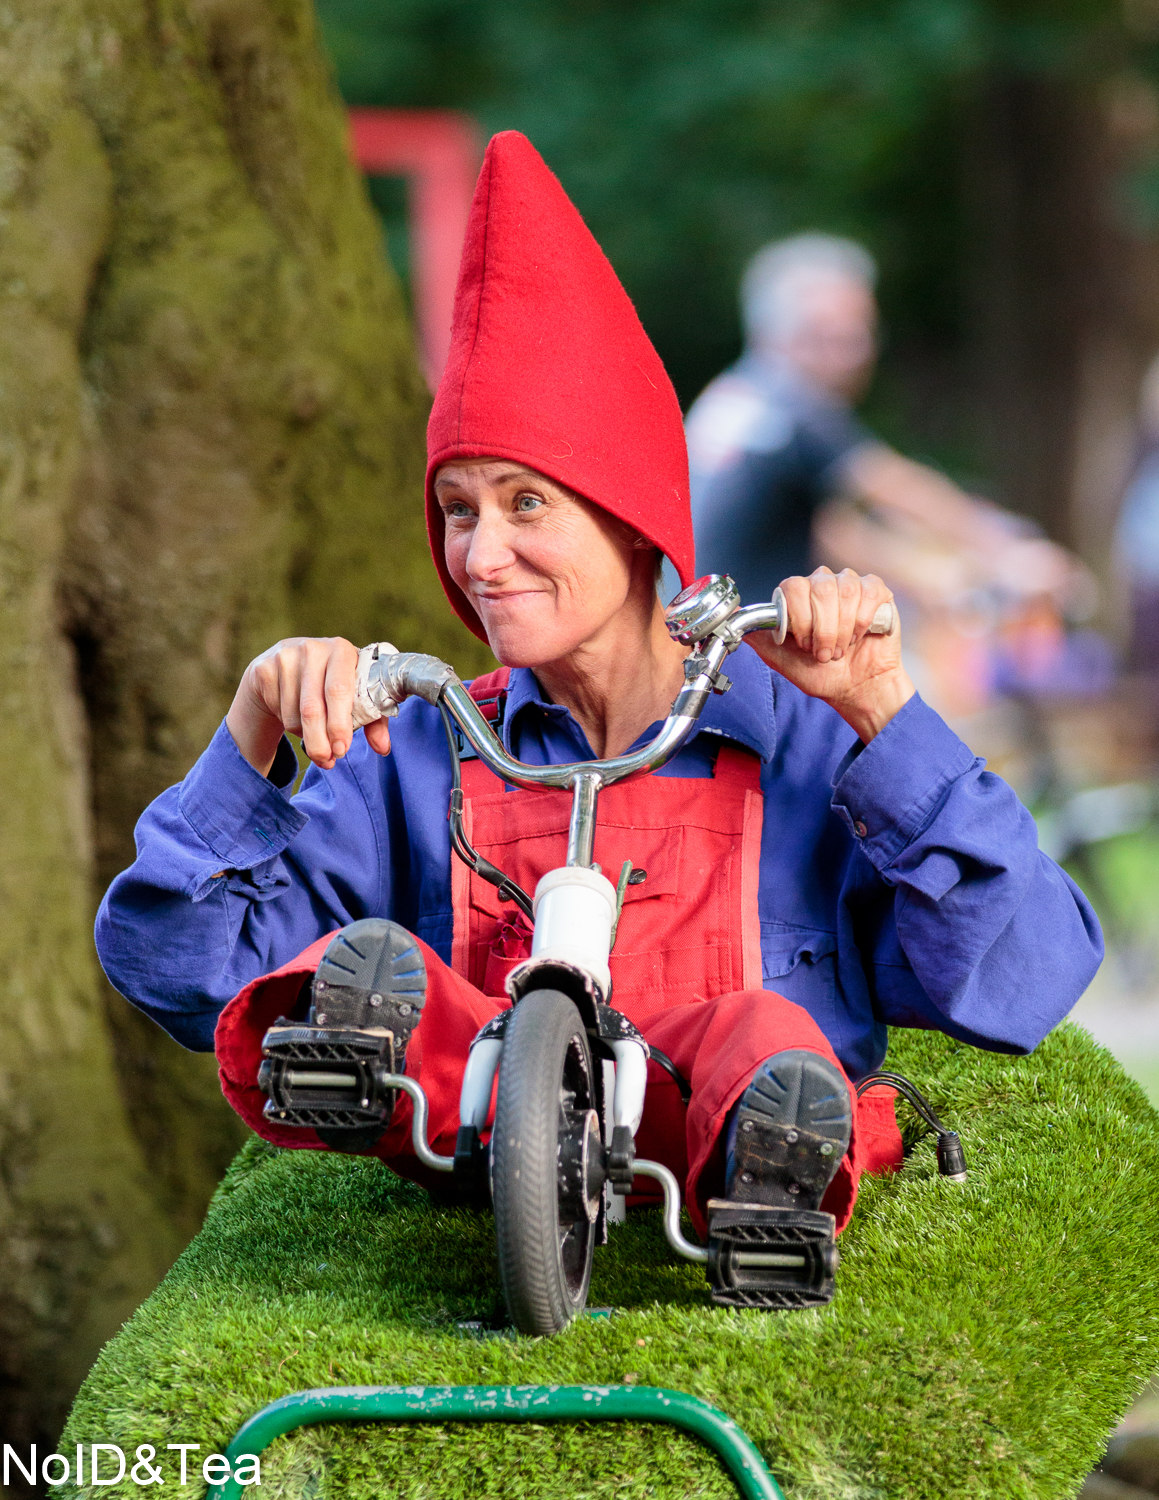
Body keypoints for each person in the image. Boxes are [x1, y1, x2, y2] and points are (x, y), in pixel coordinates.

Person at [95, 133, 1102, 1251]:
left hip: (735, 1149)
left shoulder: (806, 741)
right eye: (460, 510)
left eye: (526, 503)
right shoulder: (417, 753)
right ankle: (402, 1065)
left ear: (631, 520)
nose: (480, 557)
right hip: (490, 1149)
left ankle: (774, 1160)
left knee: (767, 1039)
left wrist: (883, 716)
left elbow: (1024, 981)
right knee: (391, 988)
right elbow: (178, 975)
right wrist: (248, 738)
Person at [685, 233, 1067, 608]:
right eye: (832, 337)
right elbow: (892, 485)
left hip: (703, 629)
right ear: (780, 336)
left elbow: (835, 535)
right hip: (741, 637)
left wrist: (943, 577)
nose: (855, 356)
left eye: (862, 334)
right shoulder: (792, 407)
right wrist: (1009, 550)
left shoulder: (739, 398)